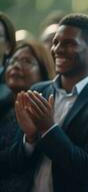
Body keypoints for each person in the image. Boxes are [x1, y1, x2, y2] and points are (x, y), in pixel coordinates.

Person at [4, 13, 88, 192]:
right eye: (56, 42)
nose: (58, 49)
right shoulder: (39, 91)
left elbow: (87, 167)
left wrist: (48, 128)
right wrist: (30, 139)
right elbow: (14, 164)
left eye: (69, 44)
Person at [0, 40, 55, 192]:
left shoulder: (45, 111)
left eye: (26, 61)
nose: (16, 66)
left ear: (44, 71)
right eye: (13, 61)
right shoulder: (4, 108)